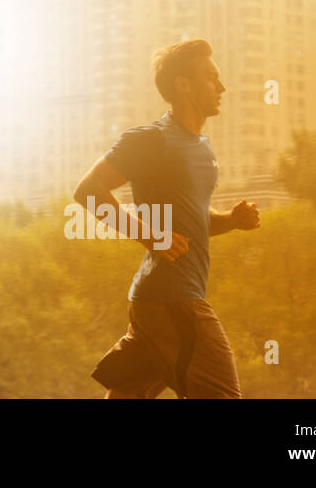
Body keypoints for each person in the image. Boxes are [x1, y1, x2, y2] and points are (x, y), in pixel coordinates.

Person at [73, 38, 260, 399]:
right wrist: (149, 236)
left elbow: (192, 221)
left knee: (128, 394)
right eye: (211, 78)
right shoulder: (150, 140)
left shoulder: (201, 147)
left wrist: (231, 220)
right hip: (173, 298)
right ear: (183, 84)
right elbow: (87, 191)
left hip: (155, 300)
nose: (222, 87)